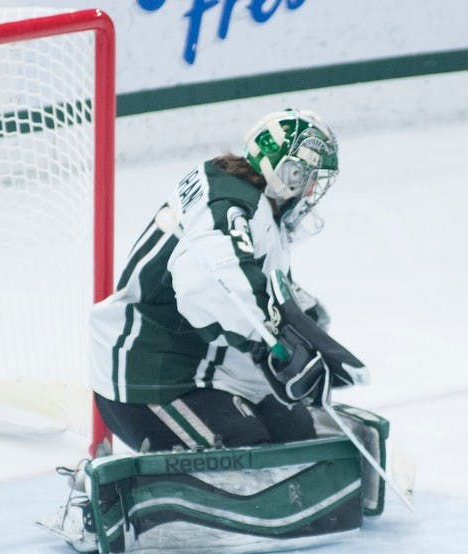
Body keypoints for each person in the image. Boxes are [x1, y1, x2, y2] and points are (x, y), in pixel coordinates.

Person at [90, 108, 365, 454]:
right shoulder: (231, 205)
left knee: (296, 439)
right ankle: (117, 490)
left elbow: (252, 283)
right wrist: (268, 344)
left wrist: (300, 328)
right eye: (309, 178)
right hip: (150, 380)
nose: (312, 190)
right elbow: (203, 287)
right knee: (249, 458)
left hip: (205, 373)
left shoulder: (256, 205)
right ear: (288, 173)